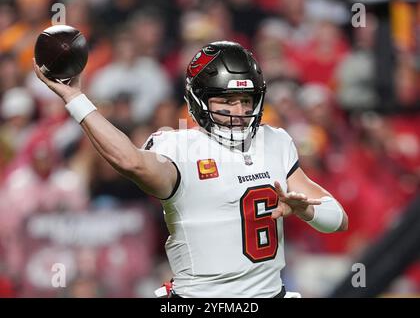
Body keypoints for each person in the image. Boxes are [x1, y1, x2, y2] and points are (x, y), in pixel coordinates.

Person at [33, 41, 348, 298]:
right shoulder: (178, 147)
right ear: (200, 101)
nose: (240, 112)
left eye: (246, 100)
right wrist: (76, 99)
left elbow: (338, 219)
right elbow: (129, 160)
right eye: (227, 100)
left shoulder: (275, 140)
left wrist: (306, 211)